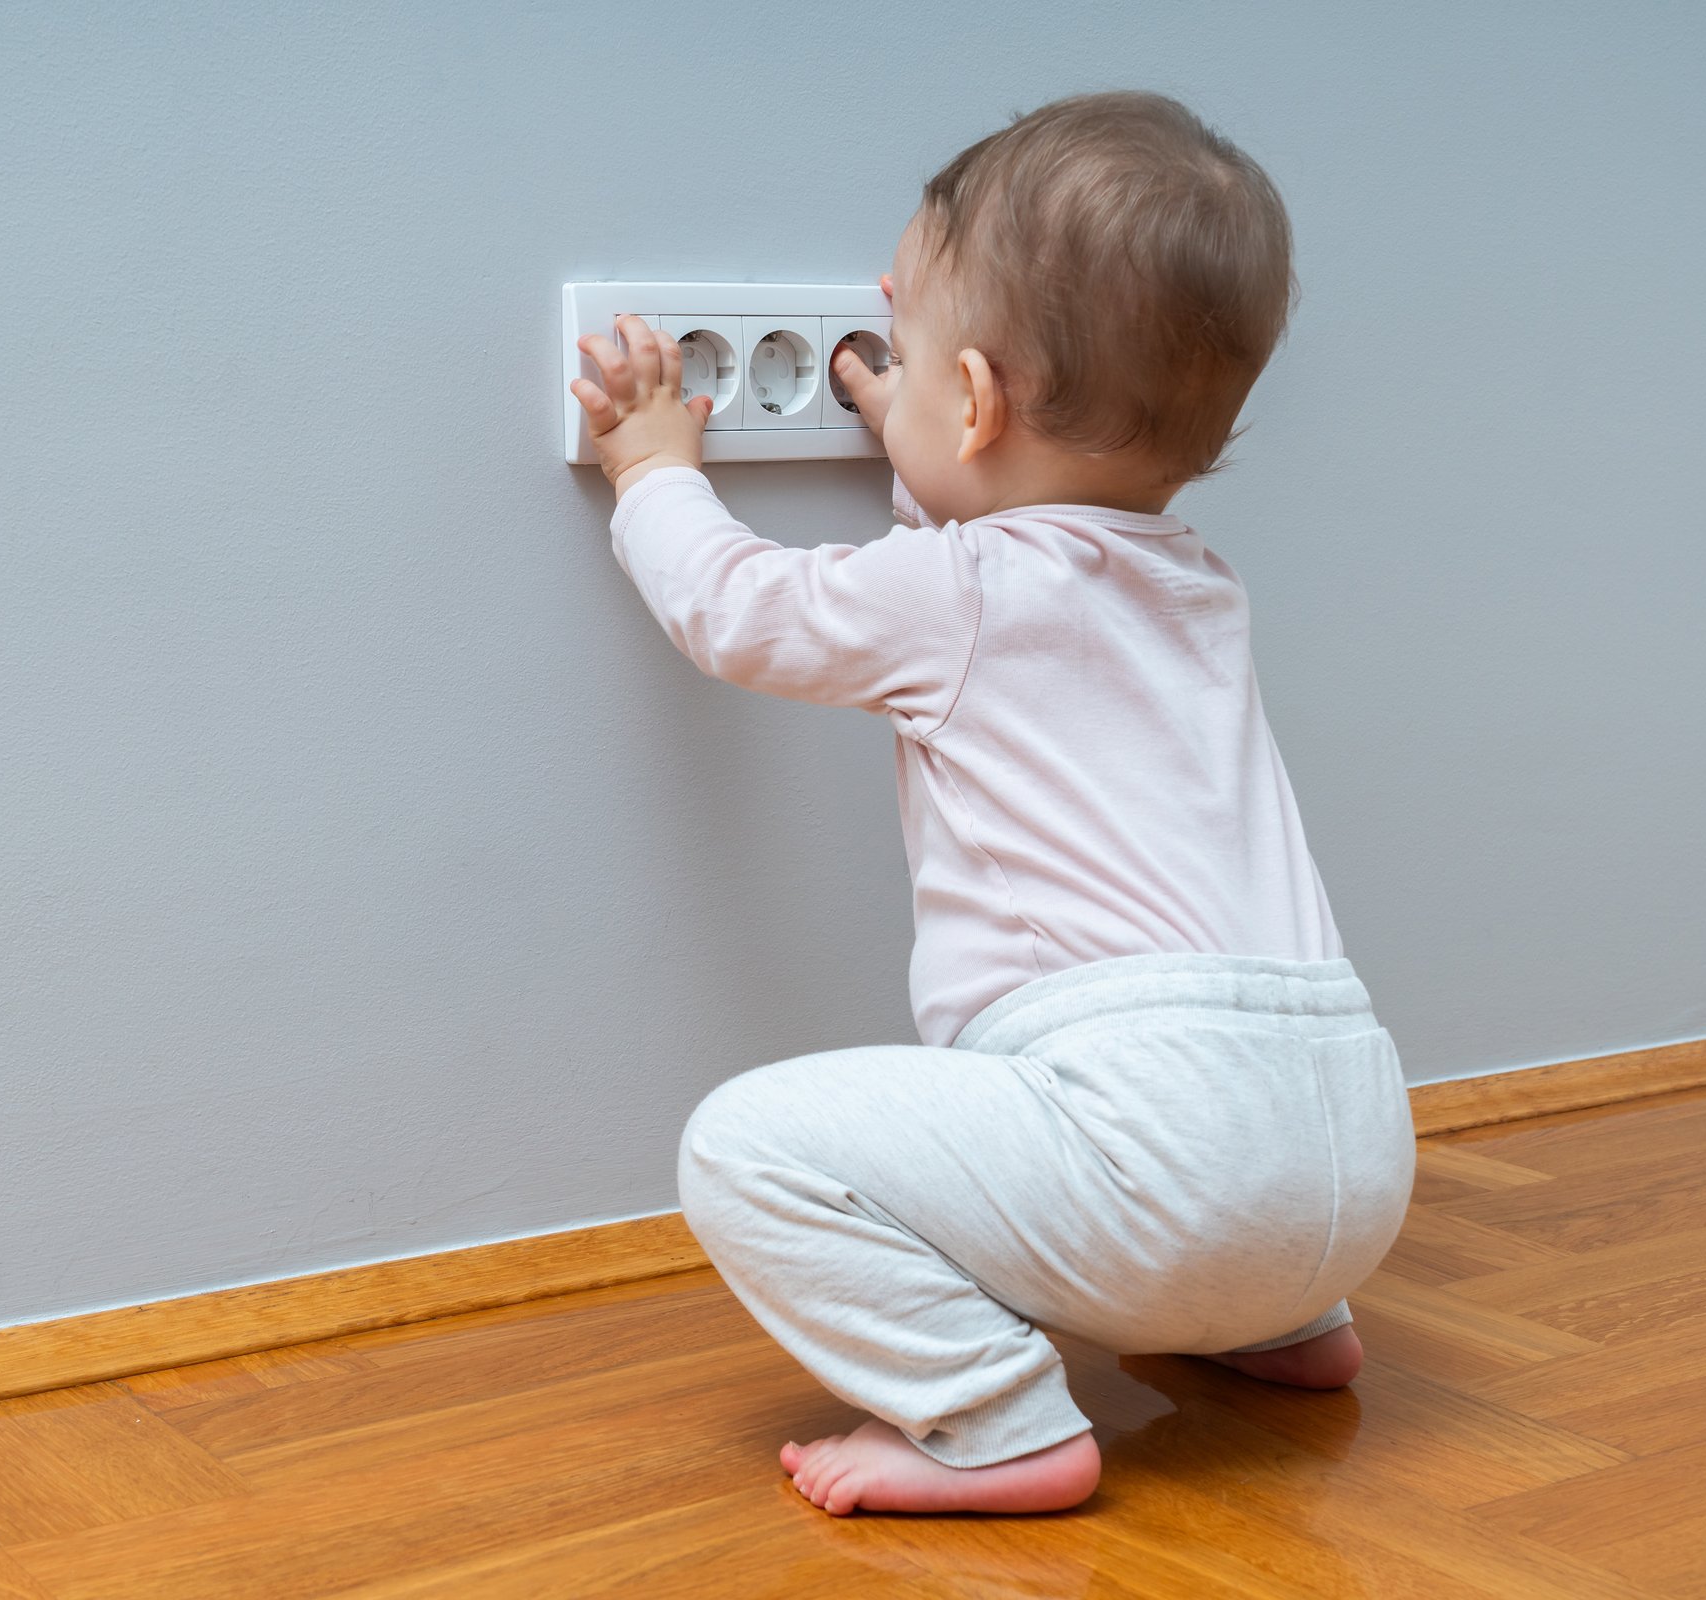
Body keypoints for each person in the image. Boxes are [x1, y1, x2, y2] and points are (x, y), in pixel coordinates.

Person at [567, 91, 1414, 1517]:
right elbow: (985, 542)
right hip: (1347, 1159)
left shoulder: (957, 594)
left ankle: (995, 1420)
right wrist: (902, 408)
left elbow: (734, 610)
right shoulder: (1195, 584)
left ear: (970, 402)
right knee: (1214, 1209)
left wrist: (653, 466)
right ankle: (1281, 1320)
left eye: (904, 350)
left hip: (1164, 1159)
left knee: (745, 1146)